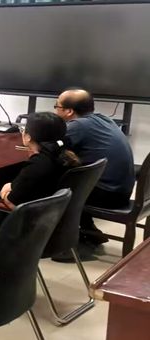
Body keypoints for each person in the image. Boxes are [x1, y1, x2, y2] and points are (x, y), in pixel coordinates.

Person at [54, 89, 135, 244]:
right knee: (78, 176)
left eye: (57, 107)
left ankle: (59, 241)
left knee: (53, 182)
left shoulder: (77, 125)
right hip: (122, 191)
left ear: (69, 111)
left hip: (107, 195)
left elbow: (49, 145)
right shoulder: (104, 119)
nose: (55, 111)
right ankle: (89, 231)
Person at [0, 112, 81, 209]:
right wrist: (14, 185)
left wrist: (4, 194)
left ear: (28, 137)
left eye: (23, 129)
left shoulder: (38, 165)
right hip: (54, 212)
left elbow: (12, 203)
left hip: (31, 214)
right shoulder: (67, 156)